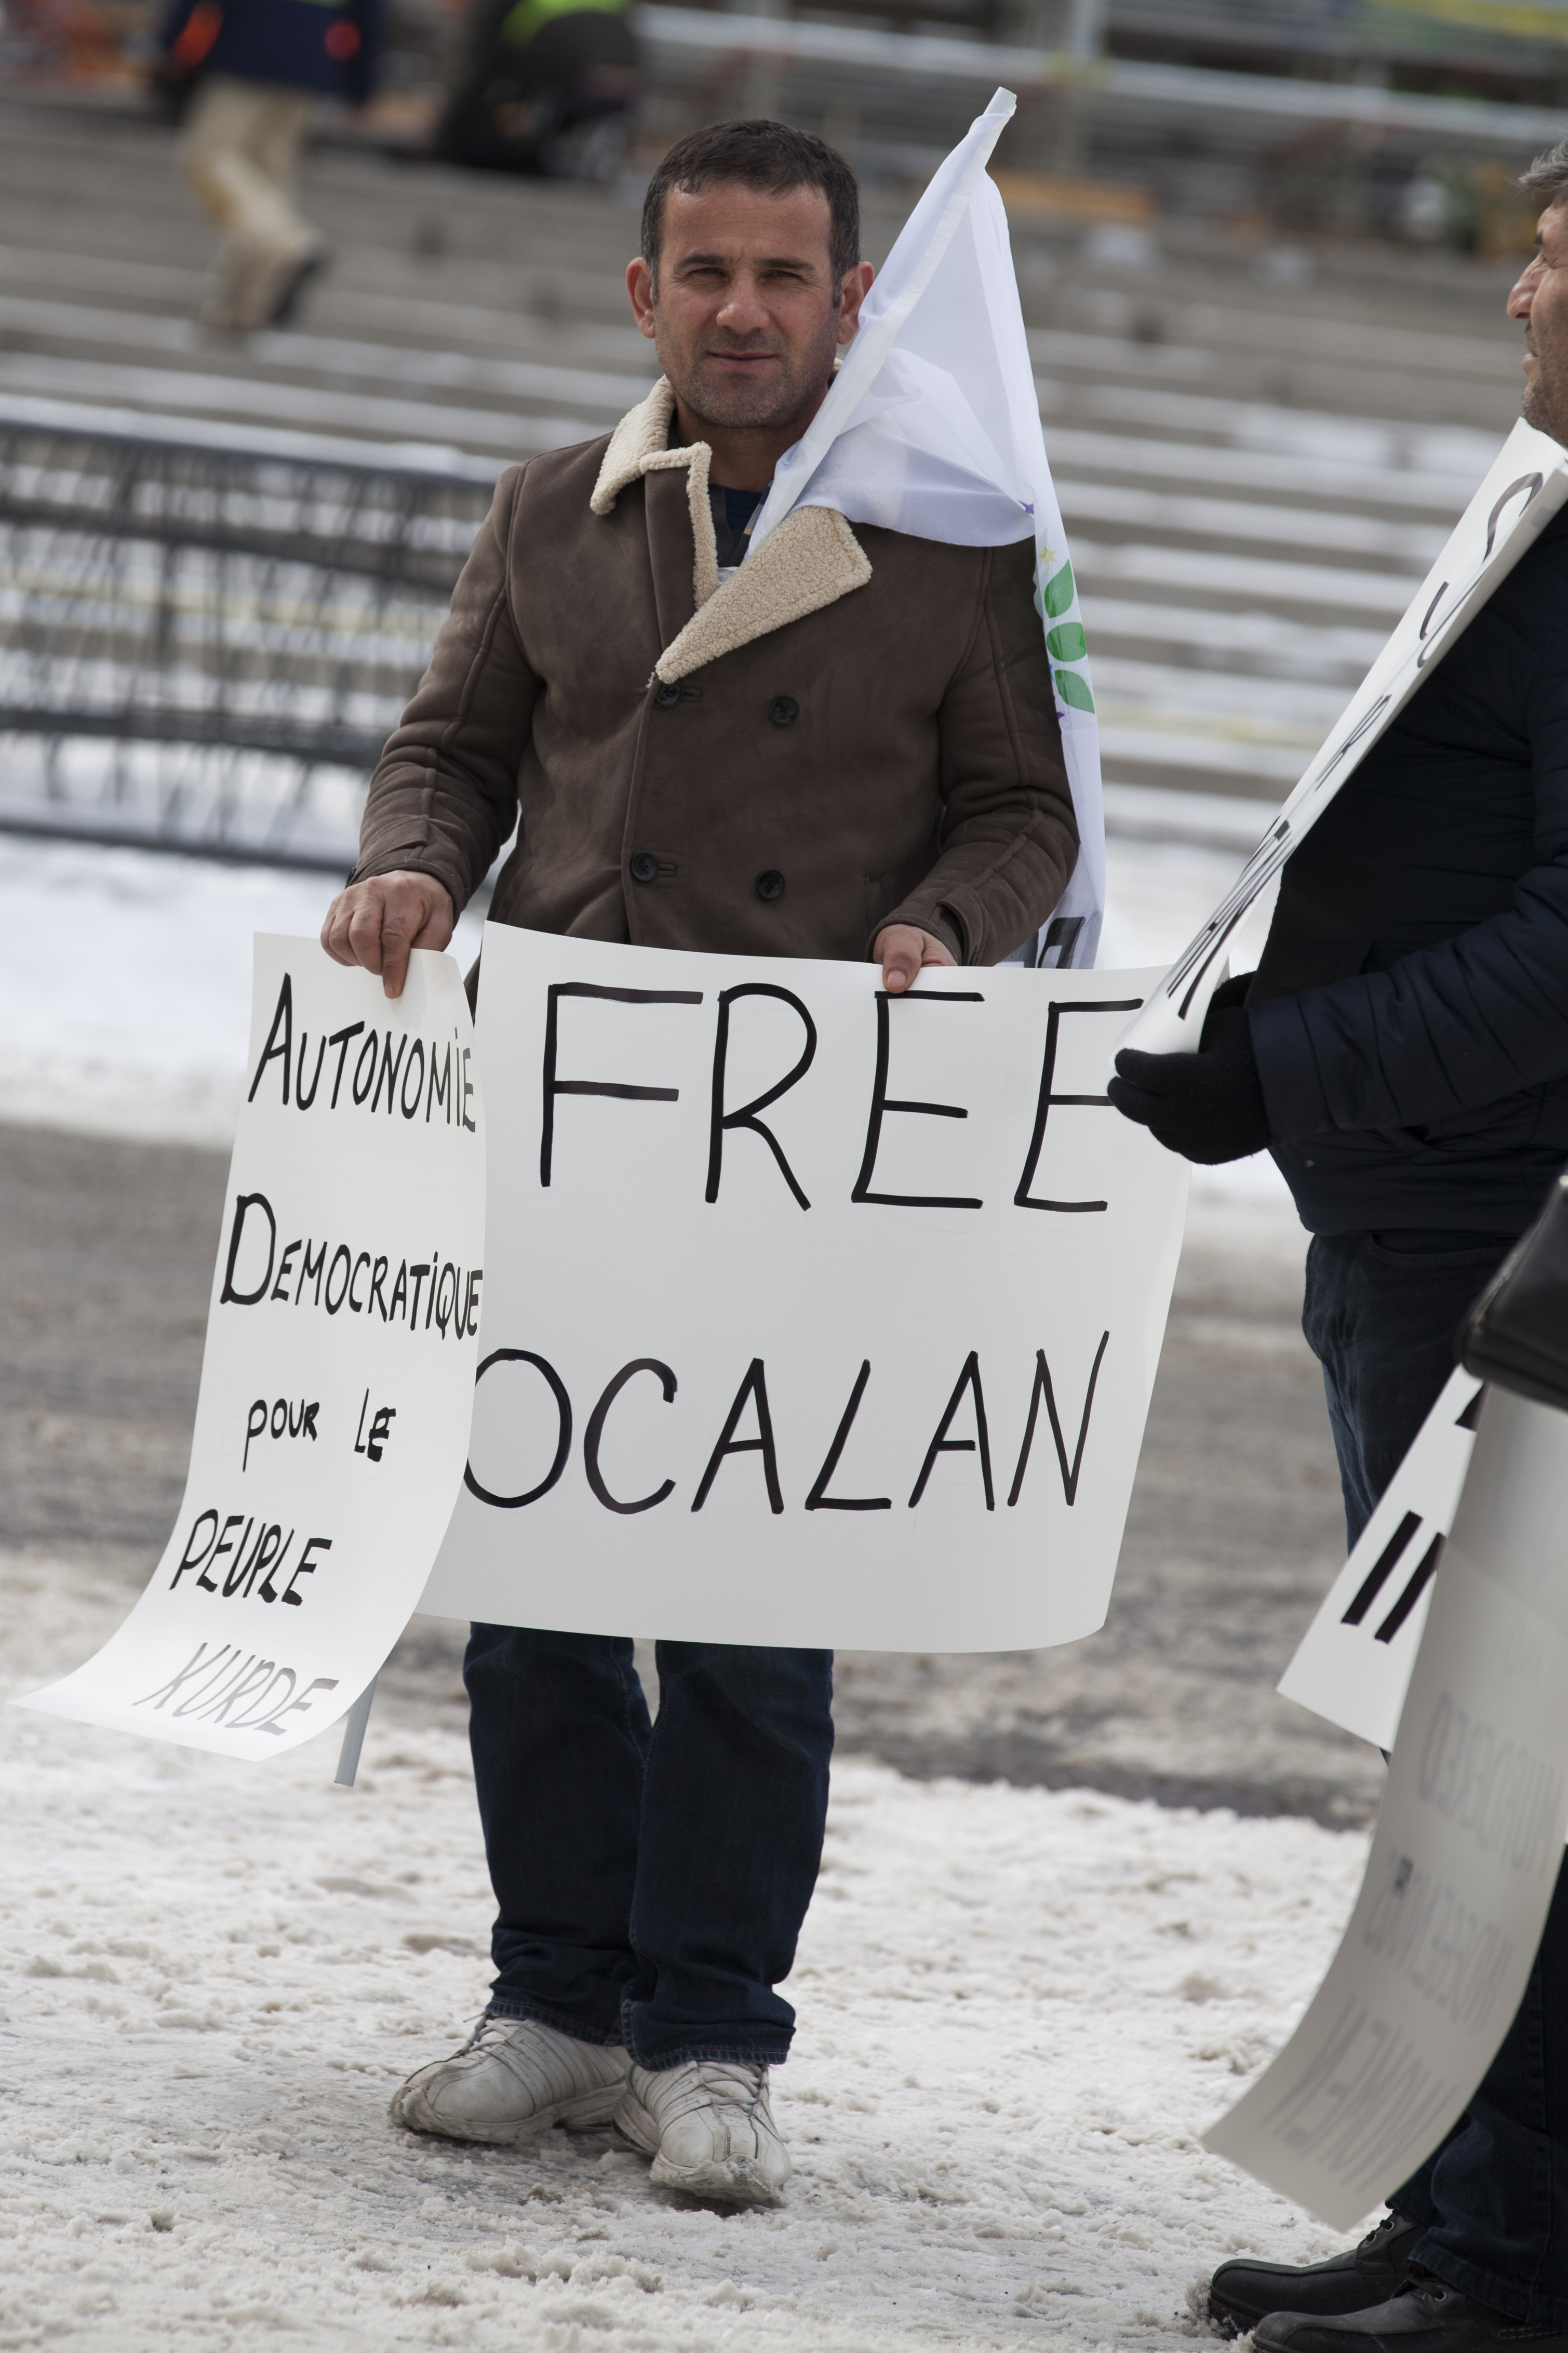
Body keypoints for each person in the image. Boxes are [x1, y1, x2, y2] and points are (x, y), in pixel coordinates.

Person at [320, 118, 1079, 2207]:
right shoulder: (546, 509)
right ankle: (557, 1998)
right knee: (537, 1592)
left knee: (752, 1618)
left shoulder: (950, 537)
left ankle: (714, 2032)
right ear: (644, 295)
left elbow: (1024, 811)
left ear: (851, 302)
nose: (743, 312)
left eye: (783, 277)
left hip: (798, 1151)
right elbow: (451, 753)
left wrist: (943, 923)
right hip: (565, 1132)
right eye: (707, 274)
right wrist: (411, 867)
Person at [1109, 142, 1568, 2353]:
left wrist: (1281, 1066)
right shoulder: (1543, 513)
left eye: (1556, 263)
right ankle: (1468, 2197)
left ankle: (1517, 2264)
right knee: (1450, 1754)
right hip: (1417, 1212)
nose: (1519, 298)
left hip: (1508, 1249)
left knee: (1514, 1766)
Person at [156, 0, 383, 334]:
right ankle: (241, 308)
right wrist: (361, 86)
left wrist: (171, 44)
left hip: (246, 49)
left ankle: (290, 243)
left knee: (209, 158)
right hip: (308, 61)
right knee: (267, 181)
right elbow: (369, 15)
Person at [434, 0, 639, 180]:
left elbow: (481, 67)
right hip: (626, 83)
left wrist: (446, 136)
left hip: (567, 81)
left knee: (506, 111)